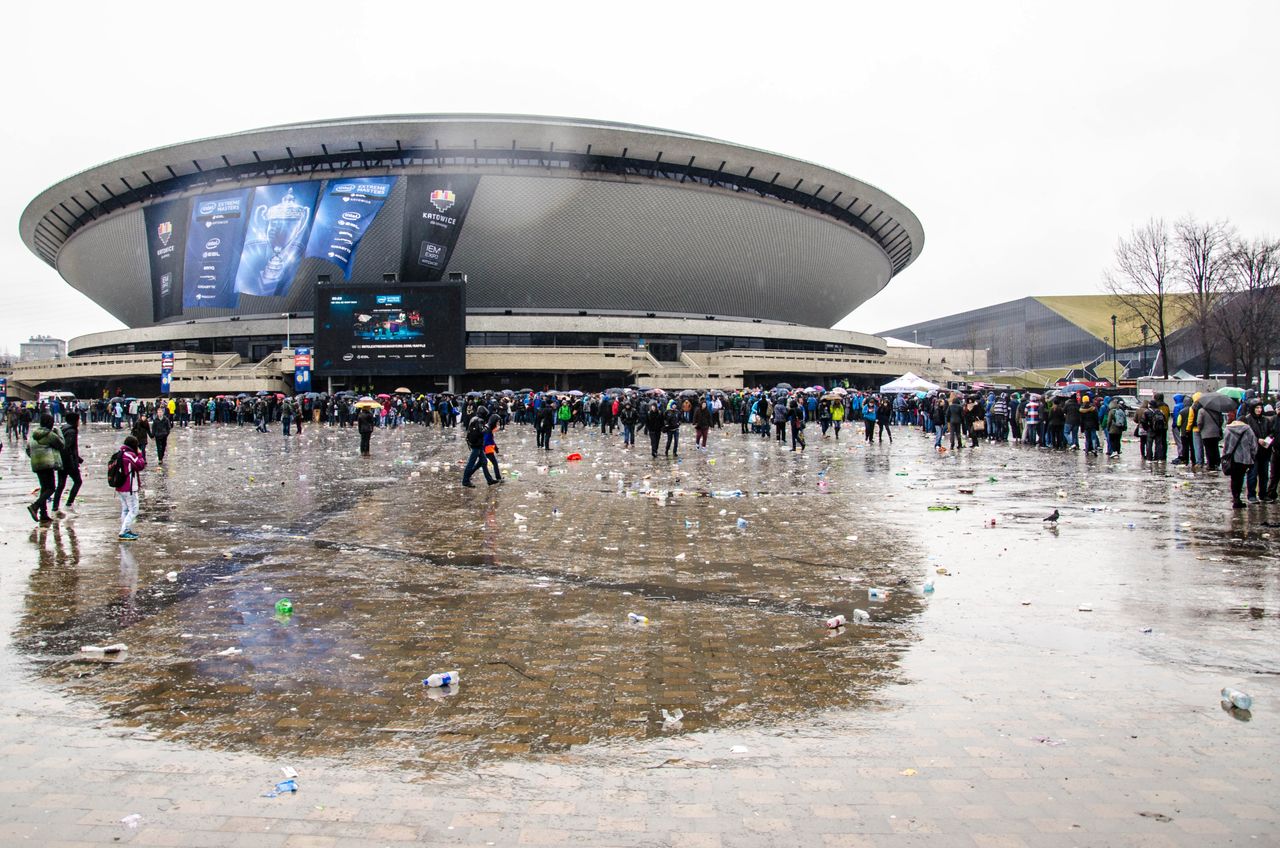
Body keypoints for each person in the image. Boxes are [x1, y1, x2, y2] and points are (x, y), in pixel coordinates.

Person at [26, 413, 64, 524]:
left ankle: (43, 514)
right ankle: (35, 506)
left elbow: (28, 449)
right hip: (47, 464)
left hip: (36, 464)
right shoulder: (50, 435)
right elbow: (61, 445)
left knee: (44, 488)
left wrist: (35, 457)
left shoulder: (33, 434)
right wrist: (59, 432)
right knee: (51, 488)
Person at [1221, 413, 1258, 510]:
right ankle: (1238, 499)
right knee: (1240, 478)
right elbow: (1253, 445)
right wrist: (1252, 457)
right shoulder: (1248, 430)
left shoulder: (1228, 429)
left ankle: (1235, 498)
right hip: (1244, 459)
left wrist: (1224, 457)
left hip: (1232, 459)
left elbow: (1225, 445)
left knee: (1234, 479)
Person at [115, 434, 147, 540]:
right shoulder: (129, 455)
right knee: (134, 510)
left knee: (125, 509)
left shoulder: (120, 453)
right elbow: (140, 465)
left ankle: (126, 529)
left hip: (120, 486)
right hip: (129, 486)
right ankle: (124, 531)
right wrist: (140, 454)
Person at [52, 412, 83, 514]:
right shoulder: (72, 431)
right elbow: (67, 447)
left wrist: (77, 458)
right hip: (69, 462)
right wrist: (74, 460)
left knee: (61, 485)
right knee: (78, 481)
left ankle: (55, 507)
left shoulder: (63, 429)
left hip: (62, 461)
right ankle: (69, 503)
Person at [1242, 401, 1272, 503]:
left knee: (1264, 475)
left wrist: (1268, 439)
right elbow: (1245, 436)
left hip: (1264, 451)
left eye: (1260, 408)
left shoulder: (1265, 420)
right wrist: (1257, 440)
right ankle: (1251, 495)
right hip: (1253, 453)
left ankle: (1263, 494)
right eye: (1257, 408)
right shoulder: (1247, 420)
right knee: (1252, 475)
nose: (1259, 410)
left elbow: (1271, 432)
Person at [461, 406, 495, 487]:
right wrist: (488, 424)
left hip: (475, 443)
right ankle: (465, 481)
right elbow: (482, 431)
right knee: (471, 463)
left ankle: (489, 480)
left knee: (484, 462)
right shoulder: (480, 420)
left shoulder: (474, 418)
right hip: (477, 445)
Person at [485, 411, 503, 482]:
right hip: (487, 450)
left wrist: (495, 448)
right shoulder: (488, 429)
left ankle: (468, 475)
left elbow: (491, 440)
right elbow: (486, 441)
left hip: (488, 449)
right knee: (495, 463)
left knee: (479, 464)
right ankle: (498, 478)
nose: (497, 423)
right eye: (497, 421)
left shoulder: (489, 429)